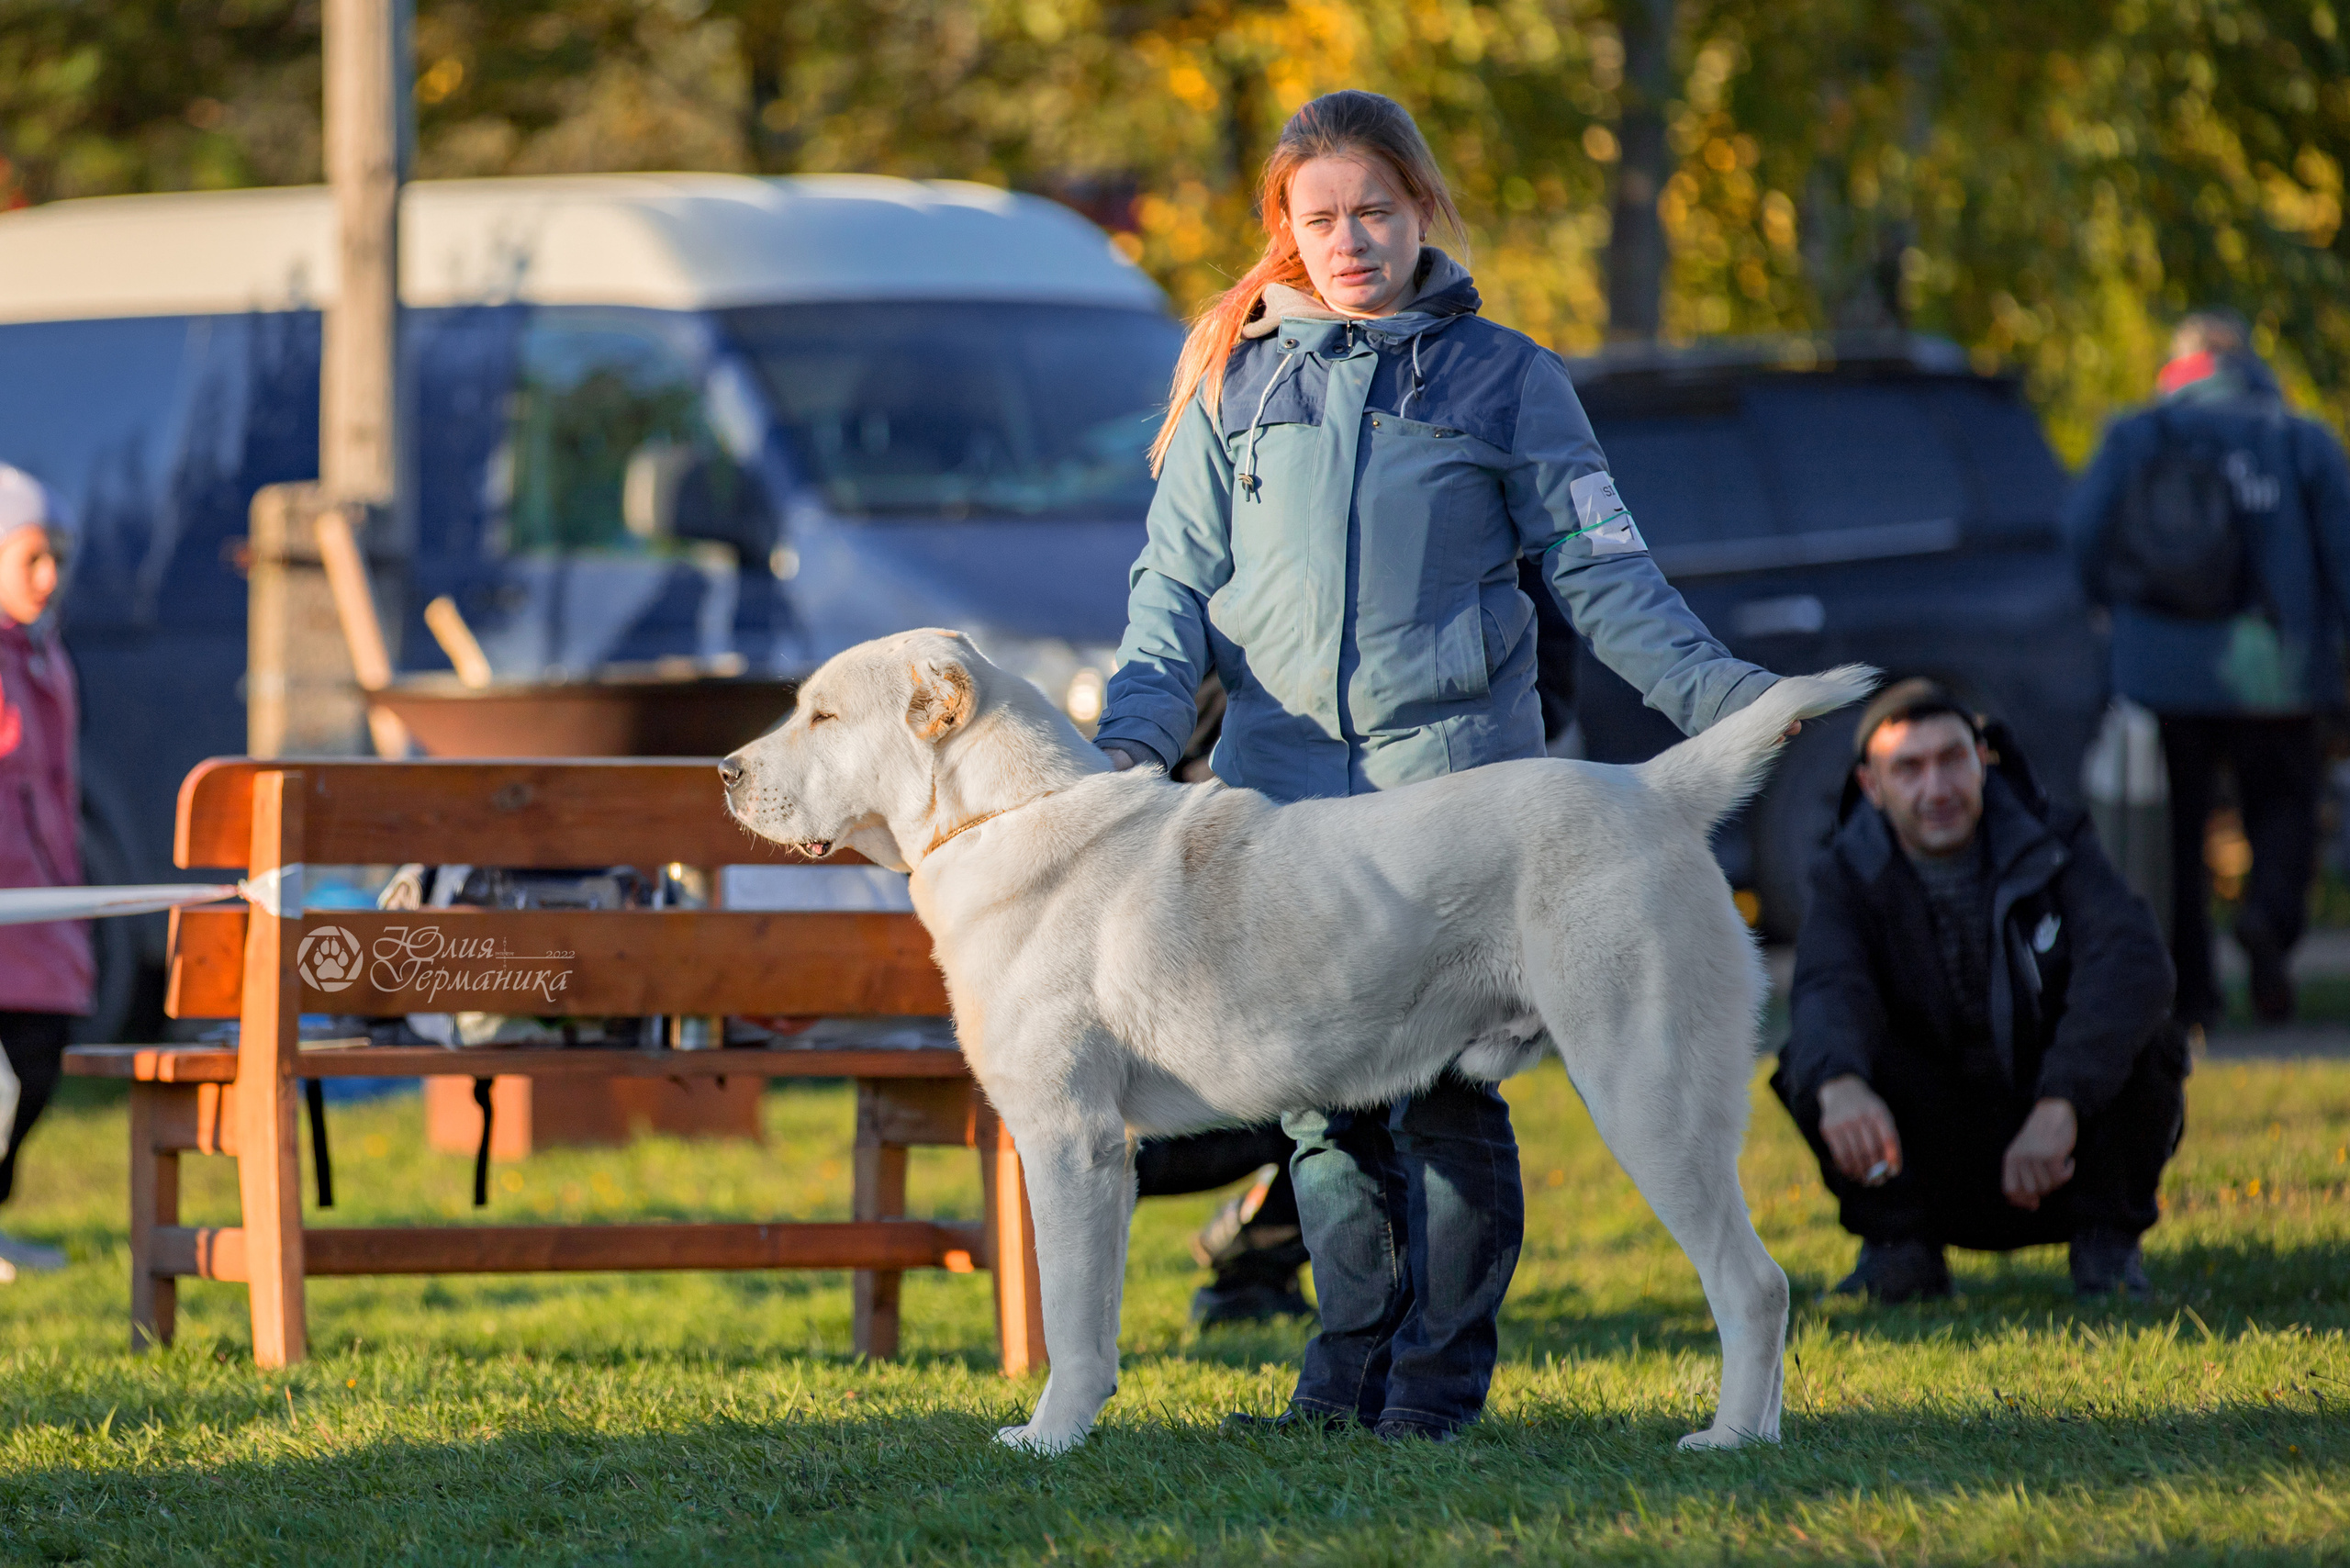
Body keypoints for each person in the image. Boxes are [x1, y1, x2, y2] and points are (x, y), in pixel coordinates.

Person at [1091, 90, 1780, 1441]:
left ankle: (1435, 1389)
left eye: (1375, 211)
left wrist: (1729, 699)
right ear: (1284, 229)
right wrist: (1134, 741)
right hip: (1279, 816)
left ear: (1422, 210)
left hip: (1459, 805)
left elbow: (1603, 571)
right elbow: (1168, 595)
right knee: (1319, 1116)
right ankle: (1343, 1381)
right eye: (1320, 218)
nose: (1350, 240)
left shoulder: (1508, 378)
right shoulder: (1235, 379)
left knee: (1446, 1105)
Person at [1772, 679, 2188, 1303]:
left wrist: (2062, 1101)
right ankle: (1900, 1251)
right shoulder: (1844, 878)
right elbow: (1827, 987)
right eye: (1908, 769)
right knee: (1816, 1065)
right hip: (1928, 1162)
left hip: (2058, 1150)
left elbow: (2133, 964)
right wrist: (1841, 1084)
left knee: (2150, 1037)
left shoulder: (2058, 841)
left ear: (1982, 760)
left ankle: (2107, 1249)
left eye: (1951, 760)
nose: (1936, 788)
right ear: (1871, 786)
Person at [2064, 309, 2350, 1027]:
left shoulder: (2136, 435)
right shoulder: (2299, 437)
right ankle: (2268, 921)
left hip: (2158, 671)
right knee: (2284, 810)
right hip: (2278, 671)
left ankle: (2192, 995)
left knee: (2177, 839)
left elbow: (2081, 536)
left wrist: (2113, 612)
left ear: (2181, 365)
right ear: (2248, 361)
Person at [0, 465, 88, 1281]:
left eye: (56, 557)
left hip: (43, 904)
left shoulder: (43, 654)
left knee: (37, 1060)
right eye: (30, 557)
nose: (48, 576)